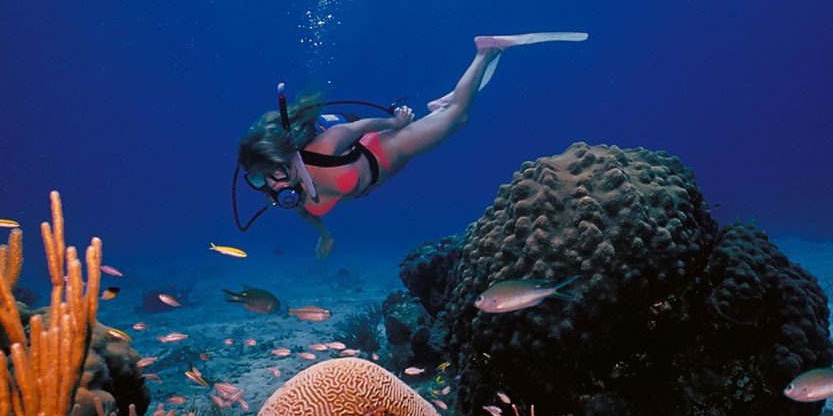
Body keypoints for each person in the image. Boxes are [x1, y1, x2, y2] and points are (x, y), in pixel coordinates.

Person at [236, 32, 588, 258]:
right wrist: (324, 237)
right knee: (445, 116)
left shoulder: (323, 149)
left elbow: (359, 126)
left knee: (459, 119)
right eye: (258, 179)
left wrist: (395, 123)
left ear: (286, 156)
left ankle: (485, 51)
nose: (273, 184)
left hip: (387, 149)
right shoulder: (285, 194)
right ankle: (440, 105)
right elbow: (304, 211)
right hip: (384, 172)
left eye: (275, 172)